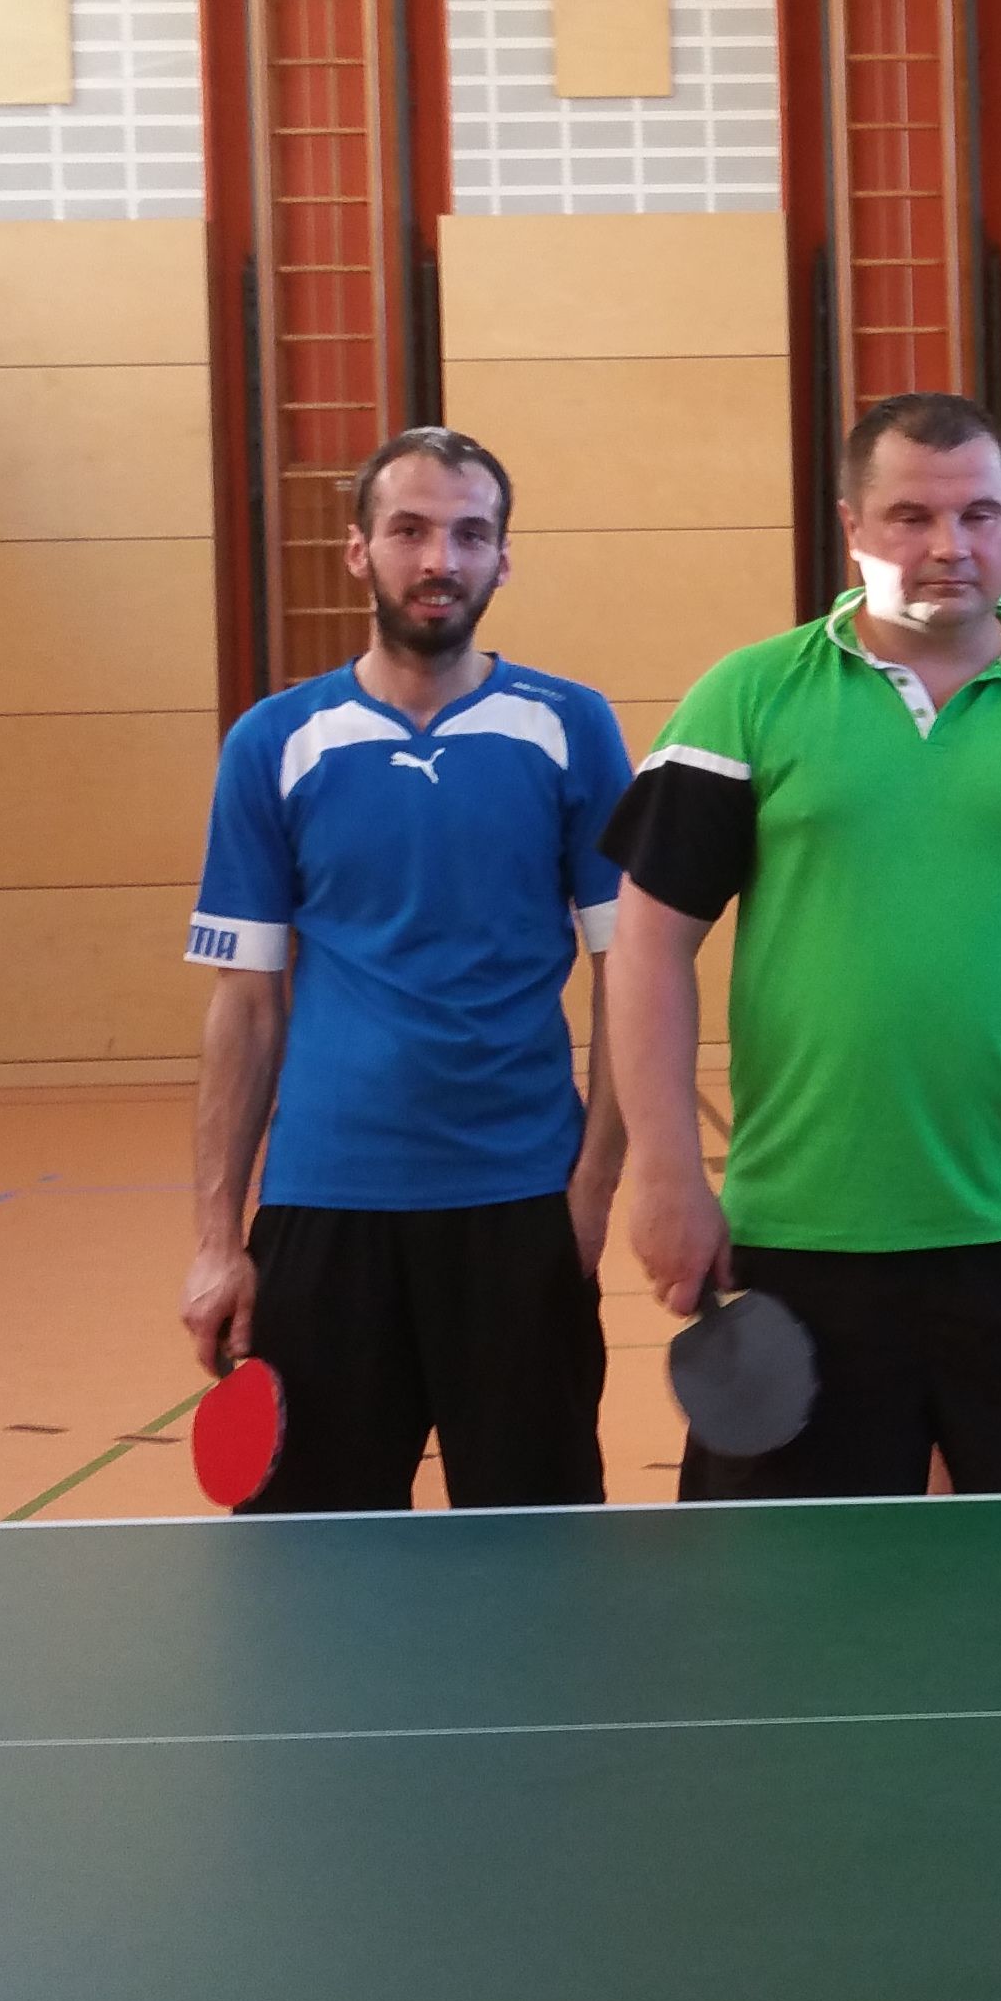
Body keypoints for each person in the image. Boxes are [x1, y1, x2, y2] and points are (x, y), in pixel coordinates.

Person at [601, 393, 1001, 1499]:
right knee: (796, 1594)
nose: (949, 545)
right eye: (911, 516)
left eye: (978, 515)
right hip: (801, 1246)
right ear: (853, 525)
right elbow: (650, 941)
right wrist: (663, 1172)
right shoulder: (745, 698)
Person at [180, 428, 636, 1510]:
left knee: (536, 1560)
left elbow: (630, 972)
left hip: (520, 1207)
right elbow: (246, 1005)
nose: (440, 559)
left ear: (503, 558)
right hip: (322, 1212)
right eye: (410, 530)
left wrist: (590, 1197)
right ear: (359, 551)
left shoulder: (570, 728)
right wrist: (215, 1242)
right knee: (313, 1565)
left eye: (470, 535)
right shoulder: (273, 742)